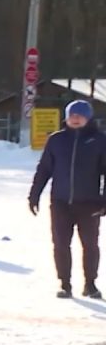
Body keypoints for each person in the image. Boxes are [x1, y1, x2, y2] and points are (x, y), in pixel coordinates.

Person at [29, 99, 106, 299]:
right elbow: (44, 169)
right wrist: (34, 194)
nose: (75, 118)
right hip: (60, 202)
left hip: (89, 203)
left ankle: (90, 284)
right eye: (72, 115)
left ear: (88, 118)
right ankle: (65, 284)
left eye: (80, 115)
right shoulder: (56, 140)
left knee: (90, 245)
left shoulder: (99, 140)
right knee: (61, 244)